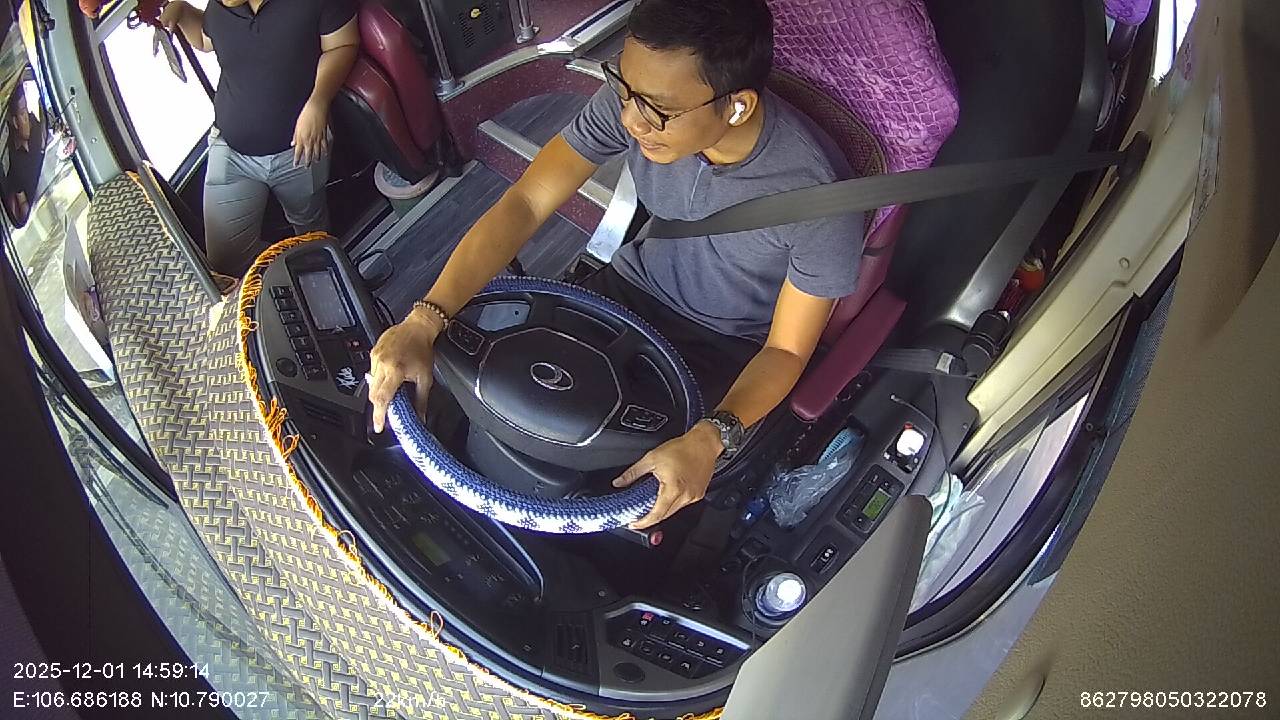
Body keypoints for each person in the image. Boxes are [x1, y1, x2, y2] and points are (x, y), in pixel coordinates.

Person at [368, 0, 863, 530]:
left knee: (608, 493)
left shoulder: (820, 201)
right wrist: (424, 318)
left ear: (737, 107)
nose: (630, 119)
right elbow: (529, 201)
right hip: (624, 292)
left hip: (722, 350)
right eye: (624, 88)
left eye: (657, 110)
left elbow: (785, 350)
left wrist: (711, 436)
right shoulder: (636, 101)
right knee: (481, 407)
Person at [160, 0, 359, 275]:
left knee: (312, 231)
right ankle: (283, 280)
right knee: (224, 261)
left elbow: (342, 45)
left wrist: (318, 102)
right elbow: (206, 41)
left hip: (299, 148)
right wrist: (181, 10)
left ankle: (322, 276)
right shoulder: (220, 8)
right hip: (231, 153)